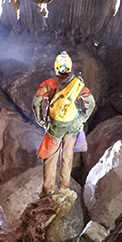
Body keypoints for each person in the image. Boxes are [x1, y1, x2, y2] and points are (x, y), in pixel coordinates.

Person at [33, 51, 96, 197]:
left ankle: (48, 190)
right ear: (70, 67)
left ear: (56, 67)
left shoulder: (49, 84)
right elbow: (91, 102)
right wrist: (82, 118)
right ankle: (64, 187)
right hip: (72, 125)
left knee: (51, 157)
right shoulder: (76, 85)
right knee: (67, 156)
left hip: (56, 126)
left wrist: (41, 120)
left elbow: (36, 101)